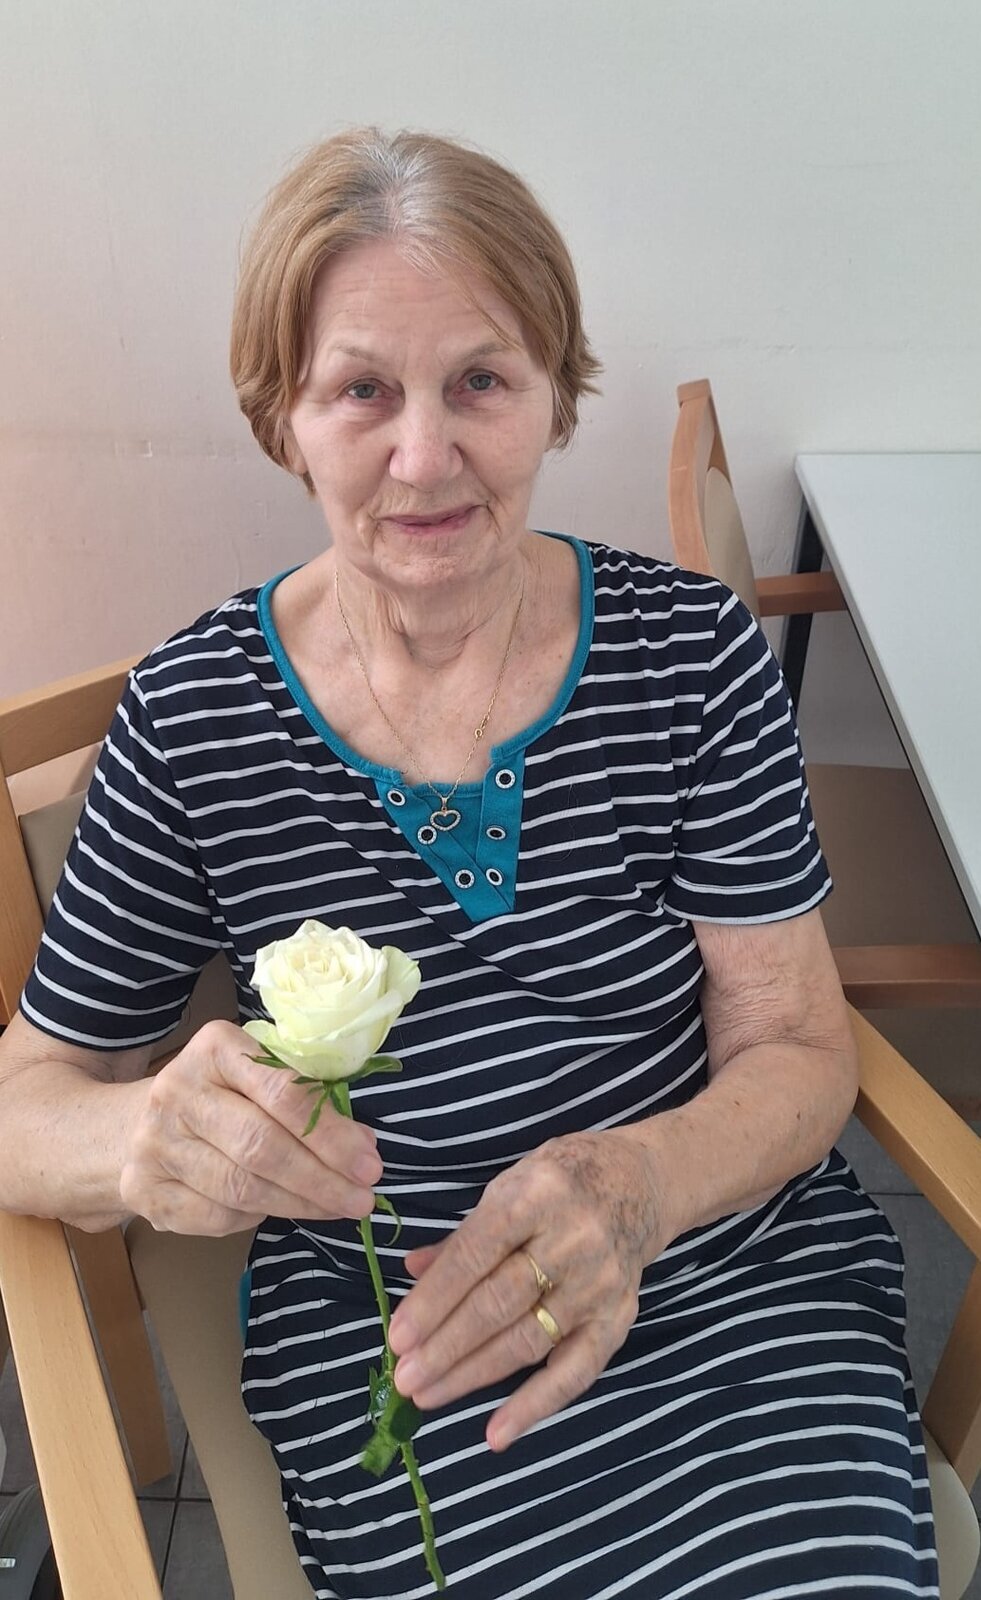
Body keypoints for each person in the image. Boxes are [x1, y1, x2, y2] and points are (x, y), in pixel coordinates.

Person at [0, 129, 937, 1599]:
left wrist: (637, 1184)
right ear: (283, 416)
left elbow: (799, 1045)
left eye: (482, 381)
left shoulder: (690, 658)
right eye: (362, 390)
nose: (424, 458)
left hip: (715, 1272)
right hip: (404, 1344)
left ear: (556, 392)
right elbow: (23, 1102)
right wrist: (133, 1144)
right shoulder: (192, 719)